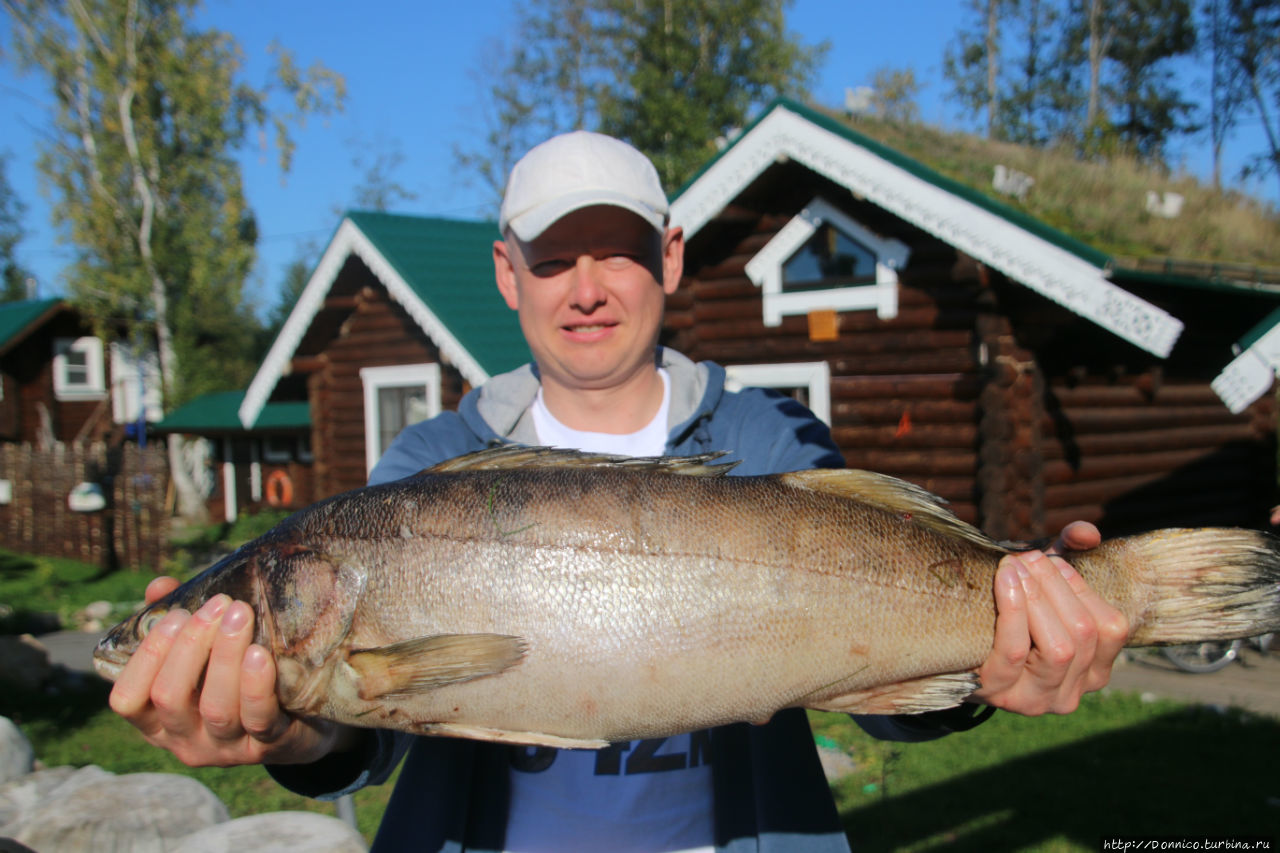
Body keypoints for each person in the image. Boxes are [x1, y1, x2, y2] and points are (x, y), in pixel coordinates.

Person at [109, 131, 1129, 852]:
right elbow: (359, 744)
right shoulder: (418, 468)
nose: (585, 287)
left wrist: (993, 662)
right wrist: (284, 730)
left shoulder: (765, 439)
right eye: (553, 259)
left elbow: (879, 690)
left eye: (617, 252)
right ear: (506, 275)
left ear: (670, 258)